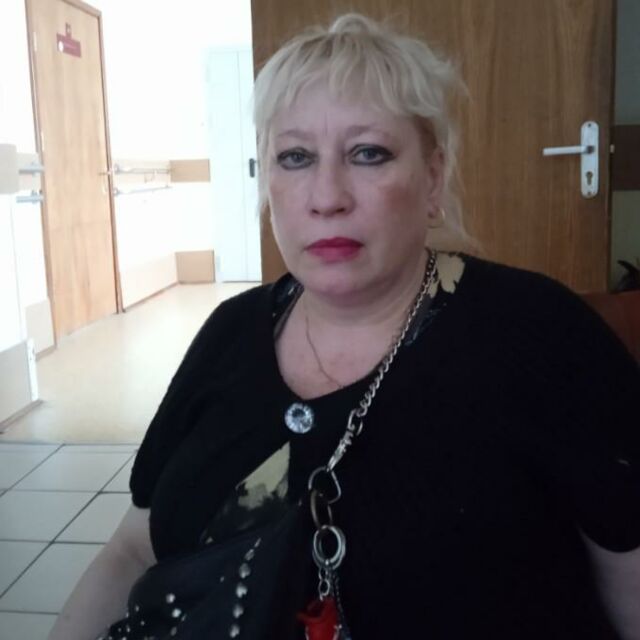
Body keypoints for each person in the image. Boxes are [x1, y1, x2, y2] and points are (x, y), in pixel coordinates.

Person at [49, 13, 640, 640]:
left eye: (368, 153)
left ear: (433, 178)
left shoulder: (537, 331)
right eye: (296, 157)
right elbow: (132, 550)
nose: (327, 196)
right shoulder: (231, 330)